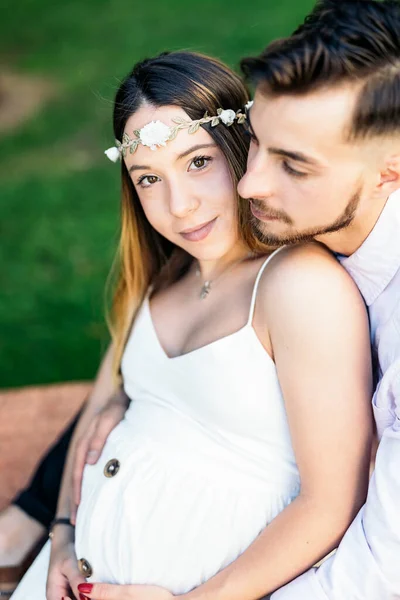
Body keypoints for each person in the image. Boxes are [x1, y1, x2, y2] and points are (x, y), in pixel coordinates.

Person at [11, 51, 372, 600]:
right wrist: (61, 535)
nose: (179, 205)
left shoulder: (295, 285)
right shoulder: (157, 284)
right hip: (65, 577)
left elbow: (332, 503)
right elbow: (93, 419)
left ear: (243, 148)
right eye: (149, 178)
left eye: (198, 162)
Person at [237, 1, 400, 598]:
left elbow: (380, 572)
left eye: (294, 167)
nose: (248, 183)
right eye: (256, 141)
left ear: (392, 170)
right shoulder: (300, 218)